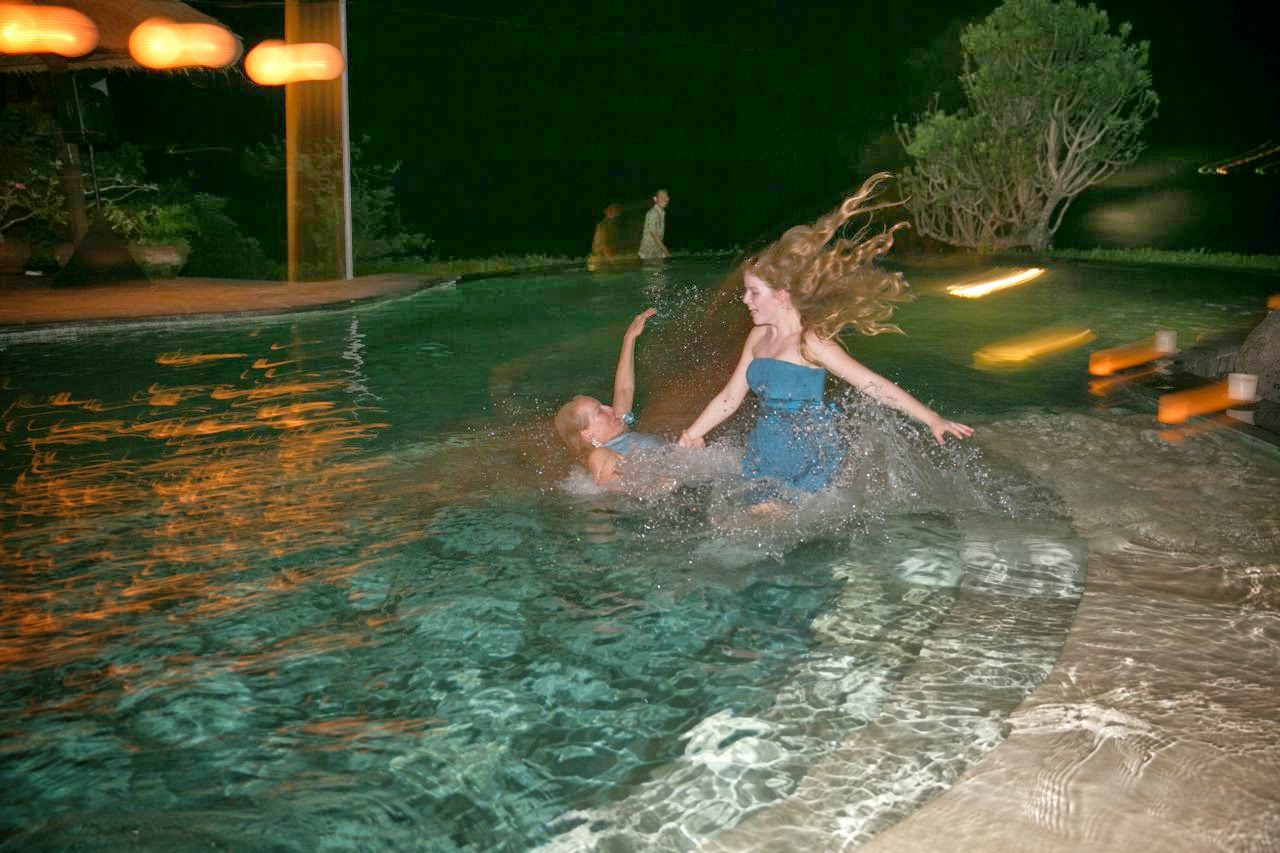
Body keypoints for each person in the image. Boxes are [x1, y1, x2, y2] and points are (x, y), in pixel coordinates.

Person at [676, 172, 973, 499]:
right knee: (744, 516)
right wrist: (692, 434)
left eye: (754, 292)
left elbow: (871, 384)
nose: (745, 300)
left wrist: (932, 419)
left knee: (760, 520)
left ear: (782, 295)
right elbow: (730, 397)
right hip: (767, 446)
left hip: (805, 453)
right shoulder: (757, 337)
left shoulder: (810, 342)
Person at [554, 307, 665, 486]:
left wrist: (629, 338)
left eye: (603, 405)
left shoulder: (621, 429)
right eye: (599, 411)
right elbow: (613, 486)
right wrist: (665, 482)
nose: (609, 408)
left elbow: (624, 389)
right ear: (587, 434)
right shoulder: (600, 455)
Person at [638, 189, 670, 260]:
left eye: (666, 197)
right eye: (661, 197)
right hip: (648, 251)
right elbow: (654, 234)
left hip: (656, 251)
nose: (665, 200)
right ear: (655, 199)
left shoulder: (661, 212)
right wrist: (665, 251)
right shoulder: (653, 213)